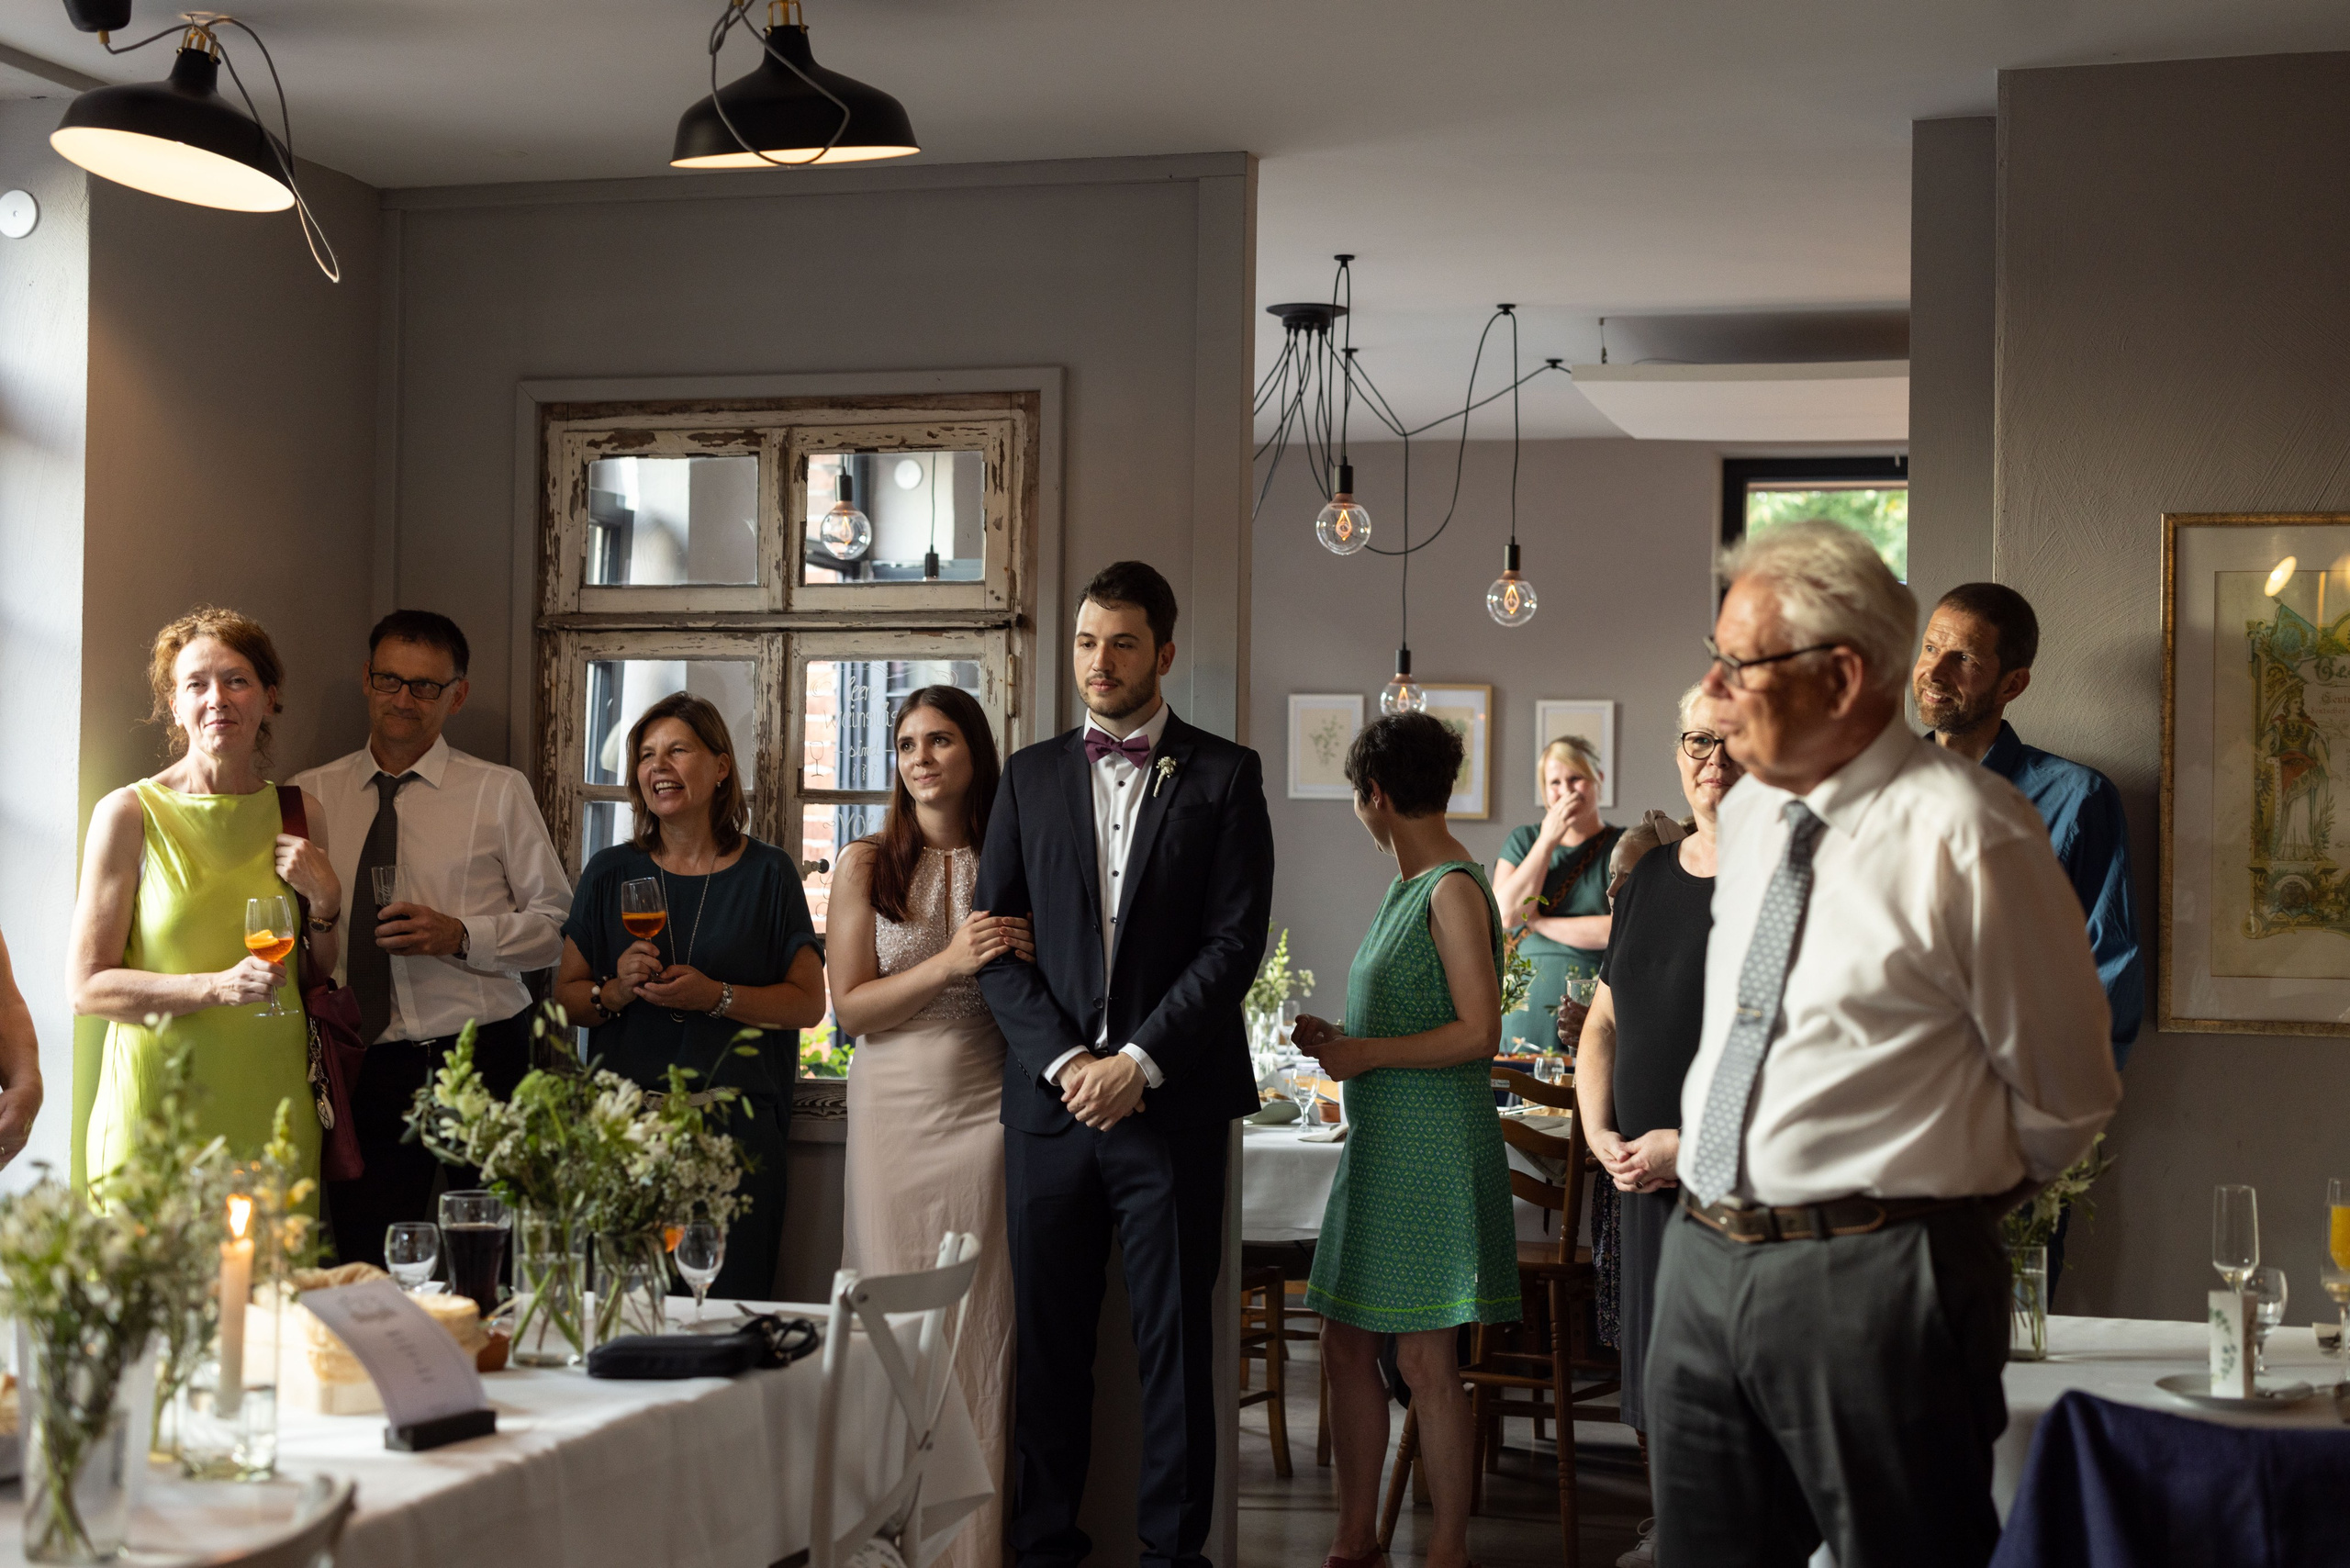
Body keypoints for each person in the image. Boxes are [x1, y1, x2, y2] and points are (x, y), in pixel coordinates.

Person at [1647, 521, 2121, 1568]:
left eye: (1740, 664)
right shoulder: (1758, 817)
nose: (1712, 692)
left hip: (1875, 1280)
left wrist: (1918, 1213)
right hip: (1698, 1261)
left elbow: (2071, 1093)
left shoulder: (1974, 832)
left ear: (1844, 674)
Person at [974, 560, 1274, 1568]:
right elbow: (995, 944)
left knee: (1176, 1356)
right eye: (1087, 642)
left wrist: (1138, 1061)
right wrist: (1067, 1061)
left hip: (1172, 1109)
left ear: (1166, 654)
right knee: (1050, 1355)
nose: (1100, 663)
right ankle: (1044, 1549)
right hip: (1049, 1113)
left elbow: (1233, 945)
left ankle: (1170, 1558)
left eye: (1123, 644)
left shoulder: (1227, 775)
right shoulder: (1026, 775)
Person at [1292, 711, 1516, 1568]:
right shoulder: (1404, 889)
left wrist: (1364, 1052)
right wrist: (1341, 1037)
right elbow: (1421, 1016)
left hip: (1433, 1148)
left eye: (1359, 798)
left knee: (1425, 1356)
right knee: (1344, 1339)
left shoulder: (1453, 887)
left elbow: (1479, 1032)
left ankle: (1447, 1549)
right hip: (1386, 1144)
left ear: (1375, 796)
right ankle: (1358, 1534)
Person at [289, 611, 573, 1270]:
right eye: (390, 680)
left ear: (457, 695)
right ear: (367, 679)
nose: (404, 700)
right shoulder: (311, 794)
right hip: (364, 1061)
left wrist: (461, 934)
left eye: (425, 686)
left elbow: (555, 925)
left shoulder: (498, 792)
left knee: (492, 1260)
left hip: (482, 1055)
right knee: (368, 1259)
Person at [830, 685, 1033, 1568]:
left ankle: (969, 1552)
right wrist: (952, 958)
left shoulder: (1013, 858)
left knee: (978, 1330)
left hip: (987, 1115)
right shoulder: (865, 862)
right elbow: (851, 1009)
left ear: (974, 753)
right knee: (890, 1330)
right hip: (890, 1121)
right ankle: (888, 1550)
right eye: (907, 743)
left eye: (940, 739)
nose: (920, 757)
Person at [554, 693, 825, 1300]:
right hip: (629, 1135)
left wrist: (717, 997)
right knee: (634, 1313)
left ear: (721, 766)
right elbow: (567, 998)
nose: (658, 766)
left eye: (677, 750)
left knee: (728, 1312)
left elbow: (808, 1004)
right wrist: (618, 990)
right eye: (646, 755)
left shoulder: (768, 872)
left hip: (737, 1136)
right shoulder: (610, 871)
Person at [71, 608, 339, 1188]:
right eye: (196, 683)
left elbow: (318, 969)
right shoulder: (130, 813)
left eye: (236, 680)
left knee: (272, 1277)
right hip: (161, 1113)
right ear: (176, 705)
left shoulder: (299, 812)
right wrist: (215, 988)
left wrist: (327, 904)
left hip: (276, 1104)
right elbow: (87, 987)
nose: (217, 698)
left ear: (269, 697)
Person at [1572, 683, 1743, 1568]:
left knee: (1729, 1389)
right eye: (1697, 742)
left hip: (1738, 1189)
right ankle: (1674, 1532)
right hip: (1638, 1177)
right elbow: (1604, 1021)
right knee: (1652, 1378)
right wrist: (1598, 1128)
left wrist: (1693, 1146)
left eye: (1732, 742)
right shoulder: (1647, 881)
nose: (1713, 762)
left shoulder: (1793, 881)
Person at [1913, 581, 2144, 1068]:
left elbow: (2110, 967)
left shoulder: (2078, 800)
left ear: (2012, 684)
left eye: (1964, 659)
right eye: (1931, 648)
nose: (1933, 672)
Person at [1494, 735, 1619, 1053]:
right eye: (1555, 783)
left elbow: (1619, 928)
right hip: (1520, 1011)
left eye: (1576, 778)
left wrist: (1539, 923)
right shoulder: (1524, 840)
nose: (1565, 791)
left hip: (1589, 1011)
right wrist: (1547, 840)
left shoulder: (1622, 845)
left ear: (1598, 780)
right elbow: (1505, 914)